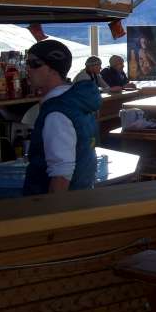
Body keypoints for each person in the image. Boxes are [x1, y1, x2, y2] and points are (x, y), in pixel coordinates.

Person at [22, 40, 101, 195]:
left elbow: (61, 175)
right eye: (27, 63)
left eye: (34, 63)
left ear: (53, 69)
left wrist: (53, 210)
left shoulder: (57, 113)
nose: (28, 69)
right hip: (81, 195)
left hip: (54, 203)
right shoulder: (76, 101)